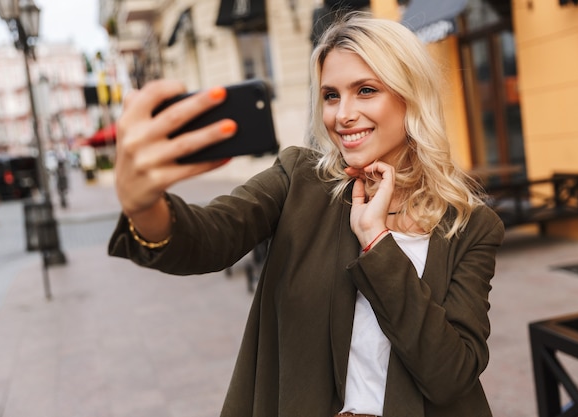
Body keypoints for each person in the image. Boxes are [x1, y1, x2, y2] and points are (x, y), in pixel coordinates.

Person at [109, 12, 505, 417]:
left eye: (365, 90)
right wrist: (145, 206)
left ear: (411, 95)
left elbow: (451, 376)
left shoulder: (469, 225)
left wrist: (377, 242)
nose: (342, 114)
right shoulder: (299, 179)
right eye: (331, 95)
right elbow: (210, 237)